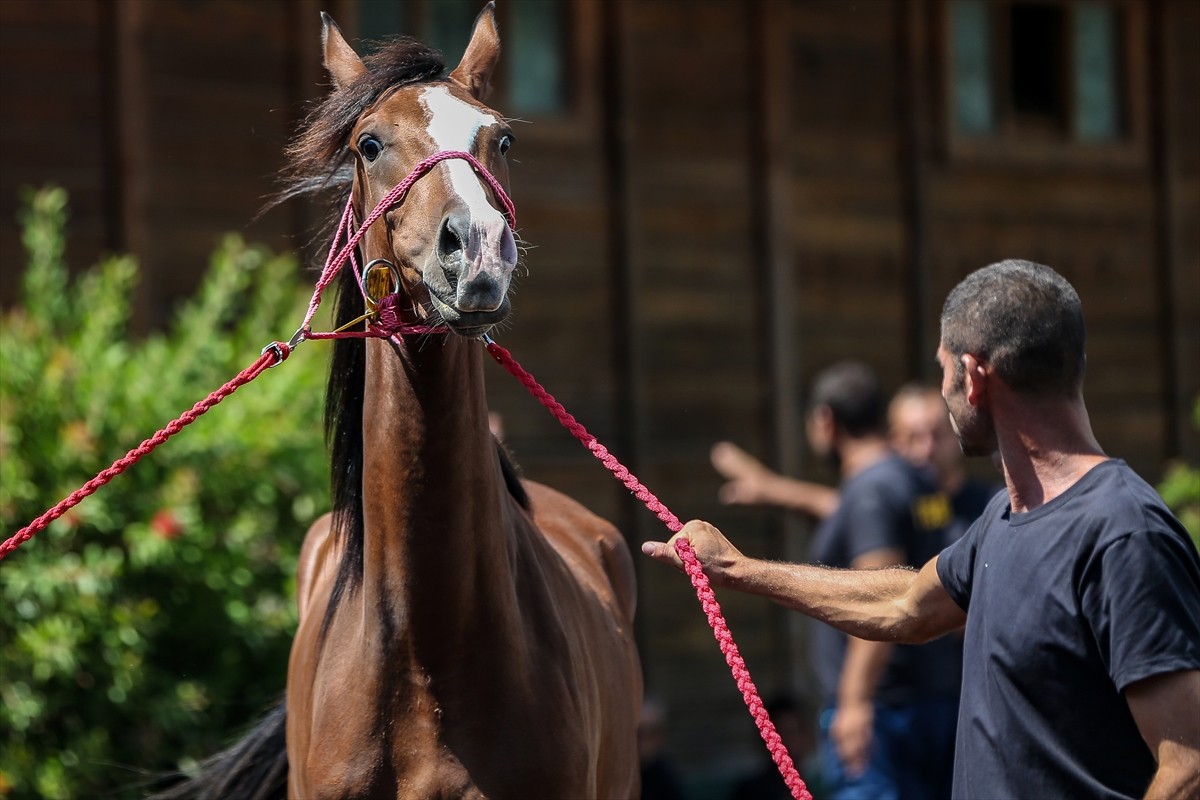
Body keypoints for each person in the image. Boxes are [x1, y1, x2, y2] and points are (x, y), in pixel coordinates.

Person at [644, 259, 1200, 799]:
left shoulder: (1123, 533)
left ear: (974, 376)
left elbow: (1190, 767)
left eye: (942, 369)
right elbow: (906, 603)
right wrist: (736, 570)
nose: (942, 392)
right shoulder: (1002, 519)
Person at [736, 360, 960, 799]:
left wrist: (855, 700)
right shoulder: (916, 481)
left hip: (885, 715)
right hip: (936, 698)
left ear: (825, 421)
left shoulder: (870, 490)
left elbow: (879, 594)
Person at [711, 383, 996, 534]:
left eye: (937, 435)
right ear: (891, 440)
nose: (925, 449)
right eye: (911, 437)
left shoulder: (989, 508)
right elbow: (840, 507)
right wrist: (771, 489)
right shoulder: (894, 500)